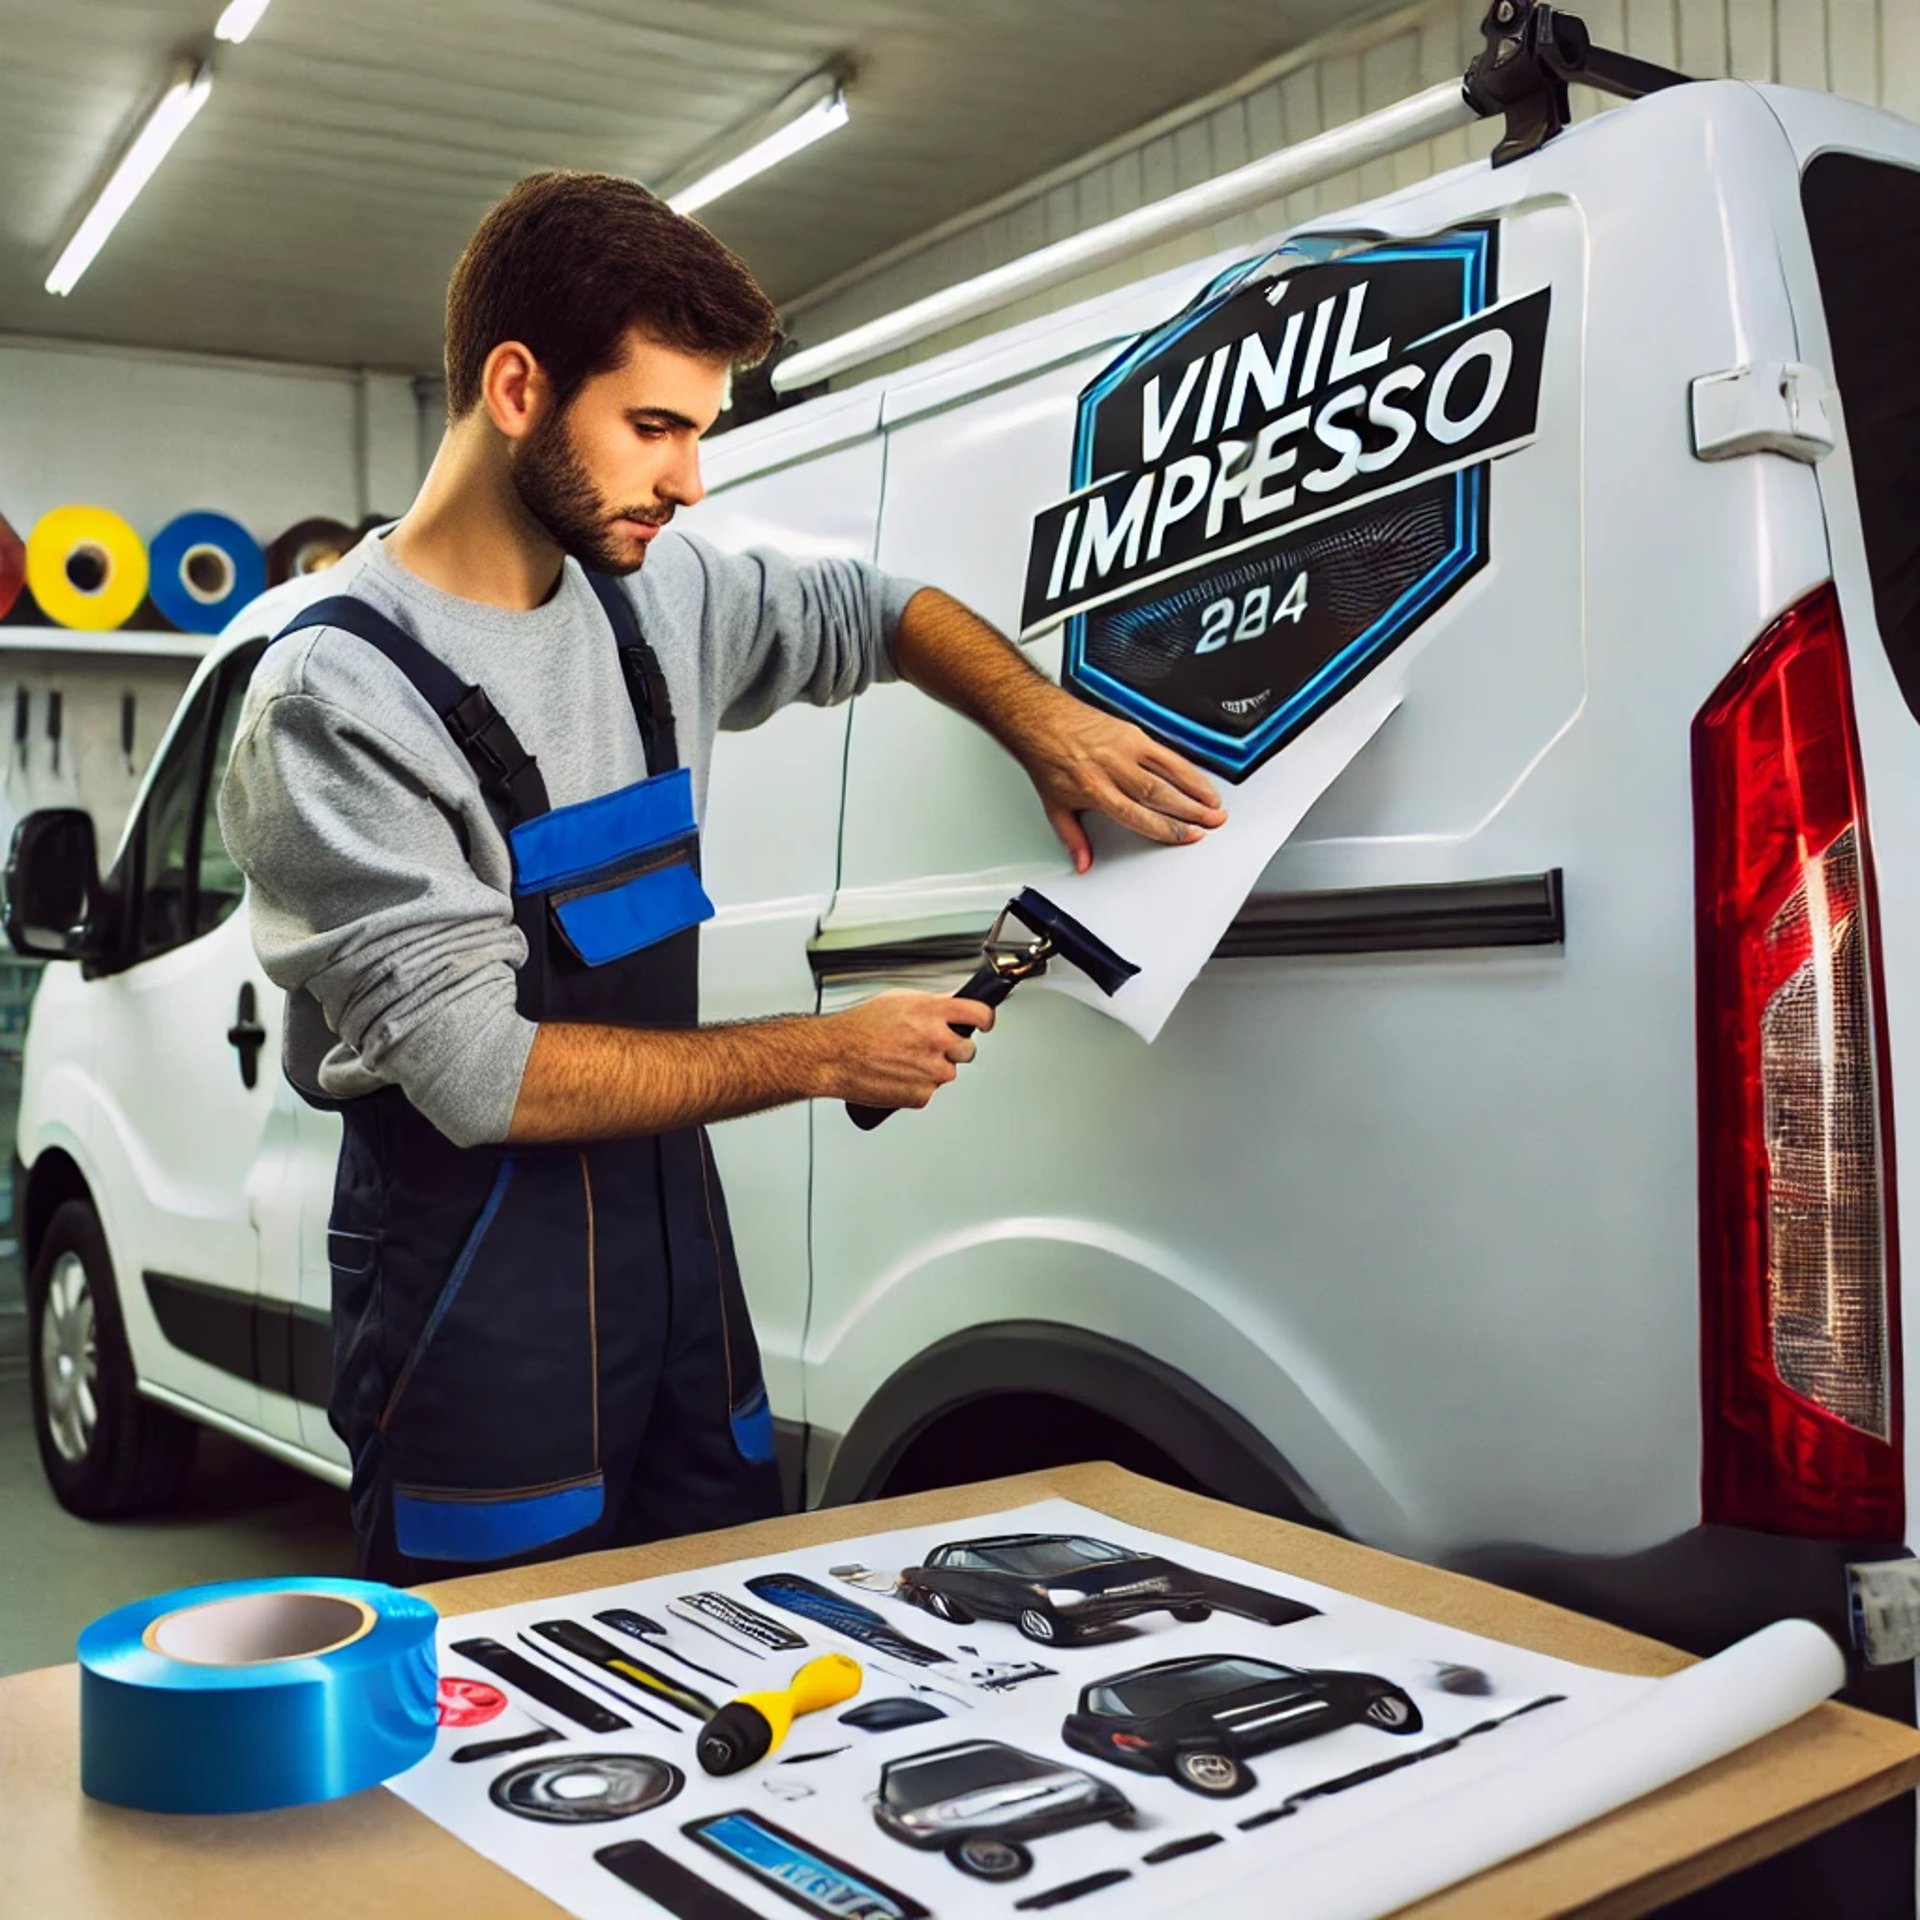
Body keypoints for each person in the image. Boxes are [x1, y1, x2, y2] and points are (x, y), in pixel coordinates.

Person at [219, 170, 1227, 1584]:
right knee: (501, 1710)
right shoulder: (335, 698)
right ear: (516, 387)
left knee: (715, 1621)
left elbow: (874, 612)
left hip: (679, 1256)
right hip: (470, 1301)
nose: (689, 480)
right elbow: (481, 1072)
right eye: (654, 427)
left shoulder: (658, 598)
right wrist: (828, 1055)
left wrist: (1040, 717)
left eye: (696, 431)